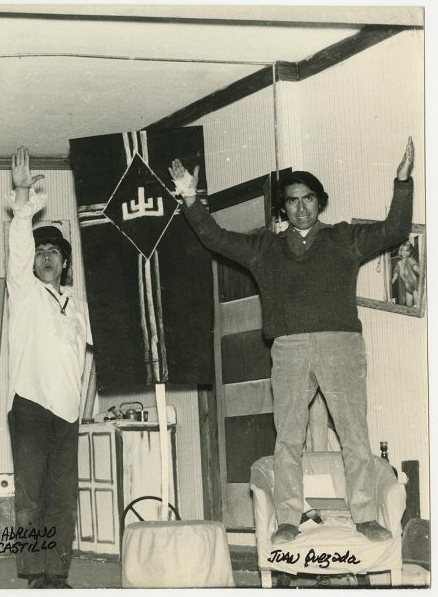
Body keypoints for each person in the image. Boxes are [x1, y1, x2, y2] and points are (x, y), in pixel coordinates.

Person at [172, 137, 415, 545]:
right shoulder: (264, 247)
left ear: (320, 202)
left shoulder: (344, 238)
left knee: (354, 434)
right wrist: (190, 199)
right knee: (287, 437)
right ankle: (288, 518)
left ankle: (365, 517)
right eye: (292, 201)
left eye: (308, 199)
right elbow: (215, 237)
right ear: (282, 208)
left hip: (341, 346)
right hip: (288, 349)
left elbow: (395, 229)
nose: (301, 208)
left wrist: (403, 182)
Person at [6, 147, 94, 589]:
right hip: (30, 404)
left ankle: (57, 572)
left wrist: (85, 406)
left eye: (53, 252)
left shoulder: (77, 307)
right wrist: (23, 197)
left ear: (64, 262)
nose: (45, 257)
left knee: (62, 496)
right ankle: (35, 573)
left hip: (67, 411)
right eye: (40, 251)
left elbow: (92, 357)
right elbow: (19, 250)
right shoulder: (24, 292)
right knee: (31, 496)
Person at [391, 240, 420, 306]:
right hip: (407, 288)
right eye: (403, 250)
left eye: (406, 250)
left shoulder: (410, 260)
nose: (404, 252)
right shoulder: (399, 263)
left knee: (417, 306)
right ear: (400, 252)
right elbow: (395, 275)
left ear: (408, 252)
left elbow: (418, 269)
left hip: (415, 286)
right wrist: (390, 284)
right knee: (409, 307)